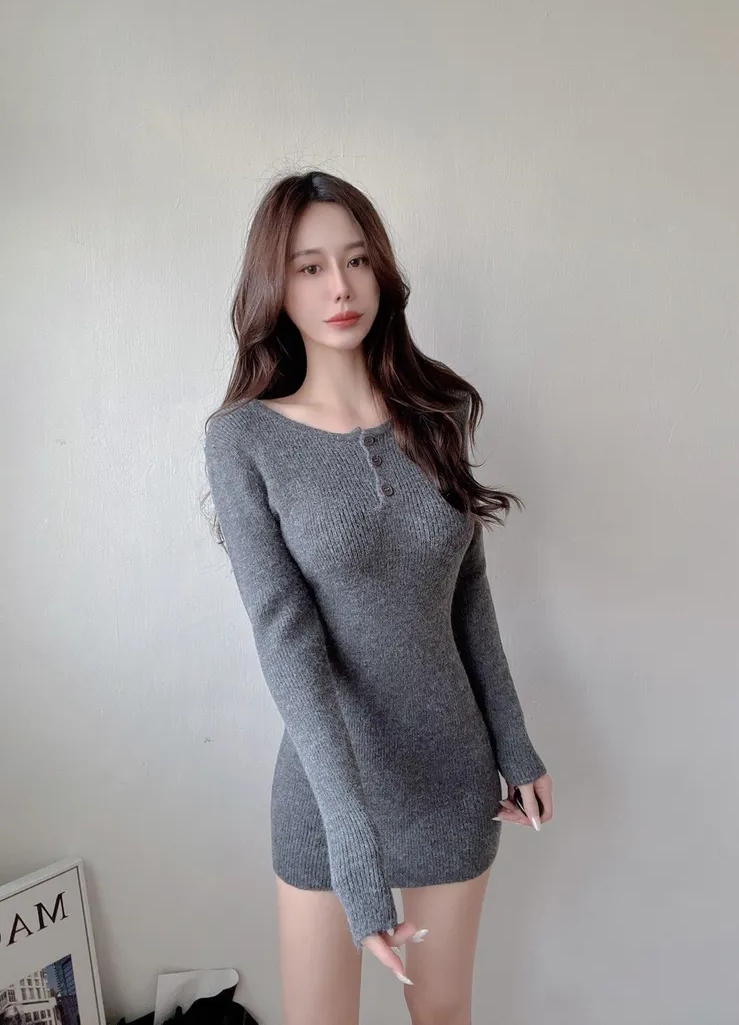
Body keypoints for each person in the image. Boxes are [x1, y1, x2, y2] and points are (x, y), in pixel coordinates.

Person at [203, 170, 554, 1025]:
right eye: (310, 266)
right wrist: (351, 839)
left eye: (356, 260)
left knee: (443, 1013)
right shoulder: (244, 440)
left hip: (450, 773)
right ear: (276, 285)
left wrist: (515, 744)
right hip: (328, 790)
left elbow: (468, 594)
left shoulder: (438, 411)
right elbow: (285, 639)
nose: (340, 286)